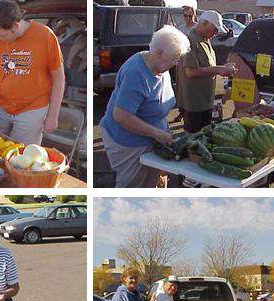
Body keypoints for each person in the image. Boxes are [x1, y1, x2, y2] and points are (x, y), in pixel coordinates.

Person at [0, 0, 65, 146]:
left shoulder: (45, 36)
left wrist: (53, 115)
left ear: (15, 26)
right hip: (1, 107)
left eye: (3, 36)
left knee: (21, 157)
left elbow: (59, 79)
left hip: (32, 111)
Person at [99, 25, 190, 188]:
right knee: (133, 186)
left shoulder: (159, 65)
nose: (176, 63)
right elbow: (121, 116)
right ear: (159, 53)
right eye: (174, 58)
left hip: (153, 138)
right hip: (128, 142)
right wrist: (156, 133)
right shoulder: (136, 73)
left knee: (152, 184)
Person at [177, 10, 236, 133]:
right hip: (194, 103)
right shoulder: (190, 40)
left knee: (205, 136)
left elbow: (207, 65)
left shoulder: (205, 39)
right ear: (204, 23)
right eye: (214, 29)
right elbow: (191, 72)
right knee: (193, 139)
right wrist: (219, 69)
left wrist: (223, 67)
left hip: (205, 100)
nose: (215, 33)